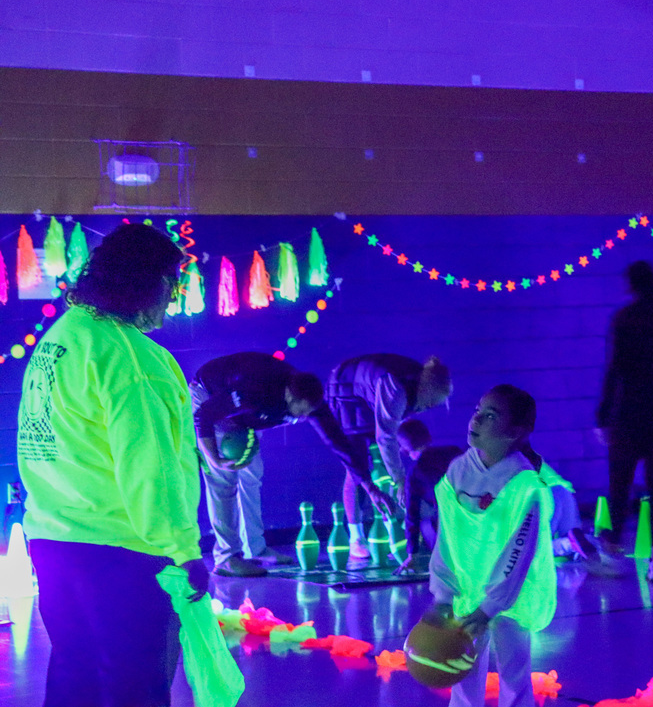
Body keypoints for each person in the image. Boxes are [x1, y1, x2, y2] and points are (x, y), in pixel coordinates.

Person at [17, 223, 207, 707]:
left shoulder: (63, 337)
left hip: (53, 543)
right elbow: (150, 464)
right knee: (135, 685)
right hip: (122, 551)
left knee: (75, 677)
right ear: (153, 282)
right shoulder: (131, 356)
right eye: (173, 283)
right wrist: (183, 548)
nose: (173, 297)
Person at [191, 352, 395, 577]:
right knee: (223, 480)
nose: (305, 416)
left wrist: (370, 487)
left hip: (244, 415)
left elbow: (339, 444)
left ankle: (255, 549)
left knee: (252, 475)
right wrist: (213, 458)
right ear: (288, 396)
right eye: (302, 411)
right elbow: (204, 416)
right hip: (210, 395)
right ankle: (227, 558)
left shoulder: (309, 401)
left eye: (309, 412)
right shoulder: (256, 389)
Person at [428, 384, 556, 707]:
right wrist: (443, 594)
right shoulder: (458, 470)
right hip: (467, 589)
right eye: (477, 411)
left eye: (490, 416)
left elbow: (519, 551)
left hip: (511, 594)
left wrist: (491, 606)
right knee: (463, 667)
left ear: (514, 432)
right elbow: (448, 537)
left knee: (514, 667)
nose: (476, 419)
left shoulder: (524, 483)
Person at [596, 260, 653, 581]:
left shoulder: (625, 318)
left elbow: (615, 368)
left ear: (631, 284)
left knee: (619, 485)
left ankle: (611, 553)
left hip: (628, 412)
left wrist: (603, 414)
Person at [326, 353, 452, 558]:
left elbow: (397, 428)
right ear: (425, 390)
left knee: (386, 464)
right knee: (358, 465)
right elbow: (385, 436)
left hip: (367, 393)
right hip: (345, 389)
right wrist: (400, 479)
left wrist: (417, 451)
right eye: (429, 404)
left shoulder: (419, 384)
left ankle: (392, 527)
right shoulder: (395, 388)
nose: (427, 409)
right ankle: (356, 538)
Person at [392, 419, 463, 574]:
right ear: (429, 437)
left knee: (426, 523)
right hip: (478, 521)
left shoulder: (414, 474)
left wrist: (412, 554)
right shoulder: (455, 452)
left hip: (450, 534)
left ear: (404, 451)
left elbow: (412, 516)